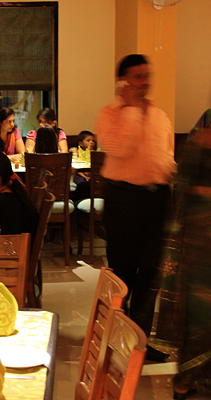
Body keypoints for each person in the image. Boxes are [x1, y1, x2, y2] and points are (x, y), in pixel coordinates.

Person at [95, 54, 175, 360]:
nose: (144, 83)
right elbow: (118, 148)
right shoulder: (108, 115)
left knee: (152, 272)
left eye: (146, 76)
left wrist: (169, 171)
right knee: (124, 272)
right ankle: (118, 333)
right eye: (137, 77)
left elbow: (166, 153)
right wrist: (130, 110)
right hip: (123, 199)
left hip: (157, 199)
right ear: (123, 81)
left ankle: (140, 341)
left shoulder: (159, 114)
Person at [153, 109, 211, 399]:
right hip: (200, 239)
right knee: (200, 313)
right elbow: (184, 176)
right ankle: (186, 378)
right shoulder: (205, 126)